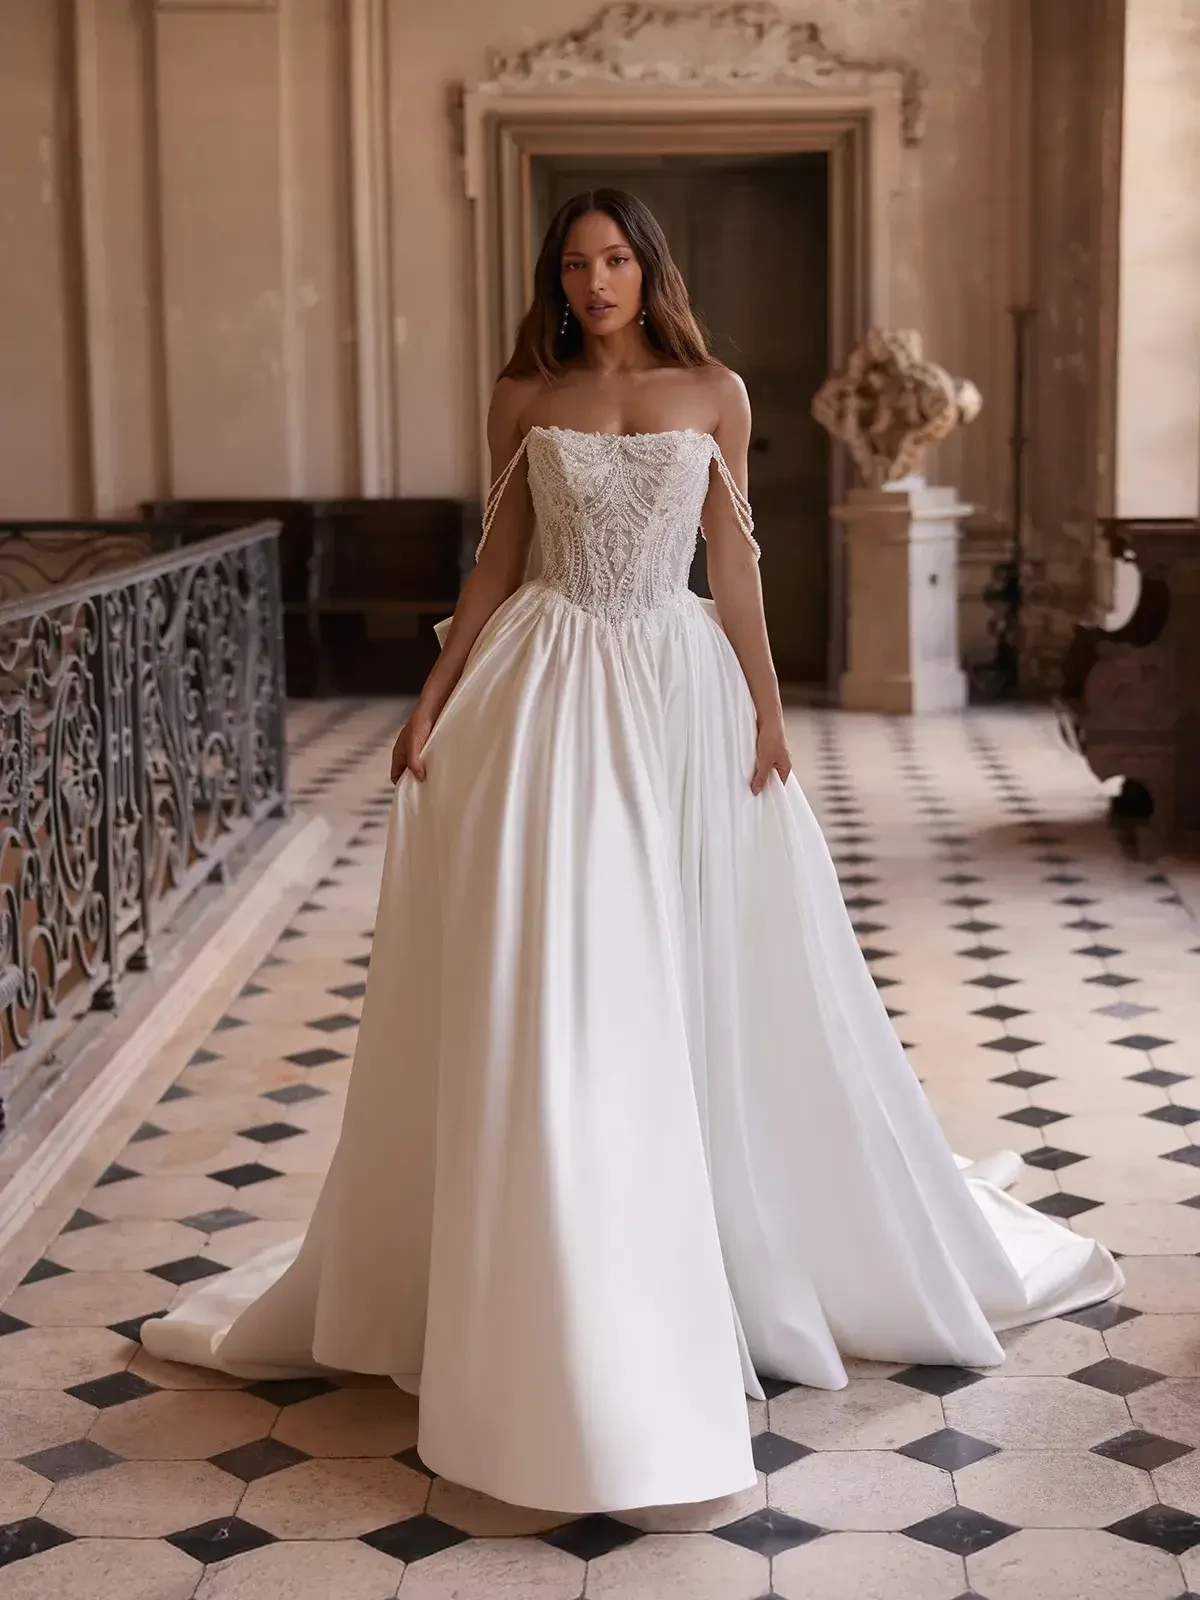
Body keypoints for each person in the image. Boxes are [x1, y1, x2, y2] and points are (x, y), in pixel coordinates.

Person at [143, 189, 1122, 1515]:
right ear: (555, 281)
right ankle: (551, 1241)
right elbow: (498, 561)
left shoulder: (713, 388)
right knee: (555, 961)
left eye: (614, 260)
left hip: (670, 688)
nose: (596, 281)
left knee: (669, 957)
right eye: (574, 264)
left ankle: (682, 1234)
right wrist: (430, 700)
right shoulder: (522, 393)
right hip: (542, 689)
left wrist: (771, 713)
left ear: (648, 269)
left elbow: (734, 564)